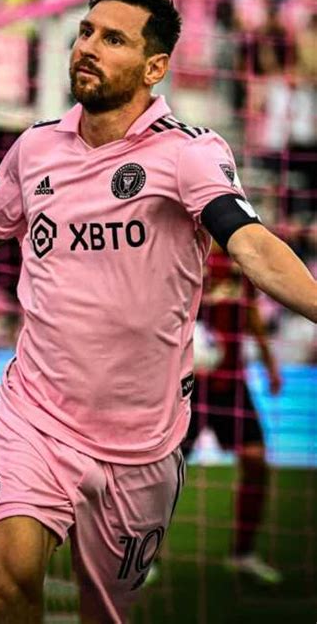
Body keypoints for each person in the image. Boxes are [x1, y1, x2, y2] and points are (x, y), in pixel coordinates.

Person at [0, 0, 315, 624]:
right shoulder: (35, 148)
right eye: (86, 31)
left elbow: (252, 245)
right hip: (35, 417)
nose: (88, 46)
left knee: (105, 614)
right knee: (8, 585)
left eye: (113, 39)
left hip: (142, 447)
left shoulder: (190, 153)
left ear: (154, 67)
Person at [147, 242, 283, 587]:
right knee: (164, 471)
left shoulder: (241, 257)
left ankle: (242, 554)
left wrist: (269, 362)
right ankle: (145, 557)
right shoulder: (183, 252)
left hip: (232, 383)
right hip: (188, 383)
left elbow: (250, 312)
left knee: (256, 461)